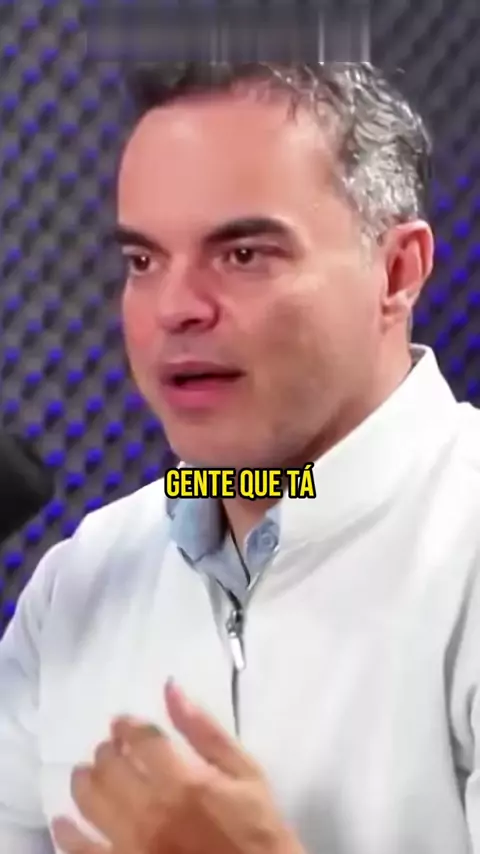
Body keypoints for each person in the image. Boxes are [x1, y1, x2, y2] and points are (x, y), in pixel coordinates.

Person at [1, 60, 480, 854]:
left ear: (397, 272)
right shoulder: (80, 580)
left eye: (244, 255)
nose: (176, 309)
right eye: (143, 262)